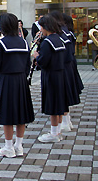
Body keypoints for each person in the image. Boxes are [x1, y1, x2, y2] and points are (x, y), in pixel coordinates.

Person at [0, 13, 34, 158]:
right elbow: (28, 64)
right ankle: (19, 146)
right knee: (21, 113)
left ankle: (8, 147)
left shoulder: (1, 43)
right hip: (21, 80)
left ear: (2, 26)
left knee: (7, 113)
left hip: (7, 80)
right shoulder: (24, 43)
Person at [33, 14, 67, 143]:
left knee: (53, 105)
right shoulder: (59, 39)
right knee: (59, 104)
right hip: (60, 74)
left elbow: (44, 61)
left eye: (41, 27)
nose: (40, 30)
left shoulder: (47, 42)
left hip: (51, 76)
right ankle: (58, 131)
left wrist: (37, 56)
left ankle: (53, 133)